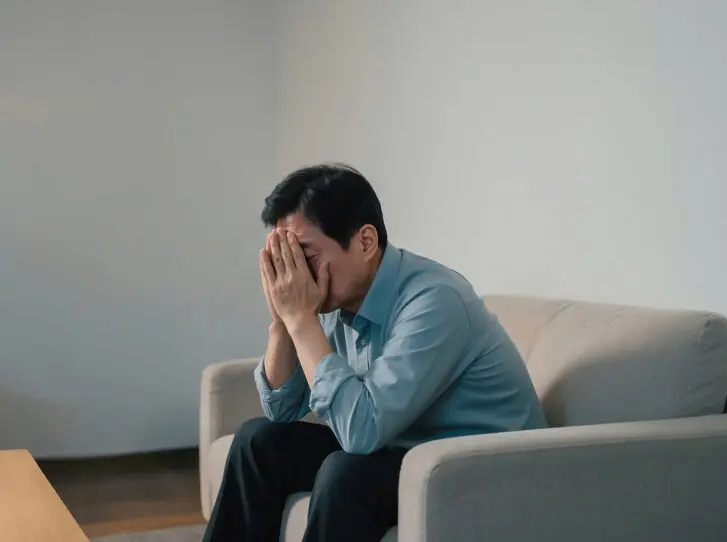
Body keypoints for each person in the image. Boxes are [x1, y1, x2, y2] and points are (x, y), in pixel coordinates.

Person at [202, 163, 547, 542]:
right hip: (402, 448)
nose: (296, 274)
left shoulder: (435, 300)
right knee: (258, 441)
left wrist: (300, 320)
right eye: (286, 259)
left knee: (346, 473)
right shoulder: (332, 297)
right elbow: (282, 409)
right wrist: (283, 322)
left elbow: (361, 433)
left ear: (365, 242)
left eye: (304, 255)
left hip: (481, 468)